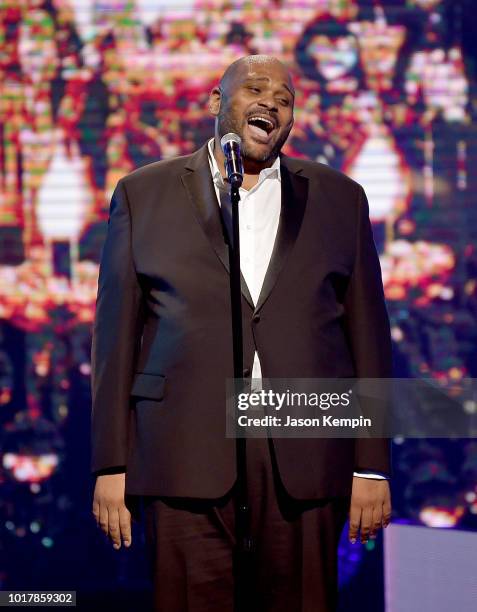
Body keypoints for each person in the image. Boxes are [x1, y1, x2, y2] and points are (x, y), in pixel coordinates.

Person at [91, 55, 393, 612]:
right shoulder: (143, 193)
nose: (270, 104)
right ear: (215, 100)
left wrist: (370, 464)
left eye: (284, 99)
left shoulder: (340, 198)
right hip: (182, 451)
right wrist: (112, 464)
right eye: (255, 89)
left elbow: (368, 339)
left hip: (303, 449)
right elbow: (115, 340)